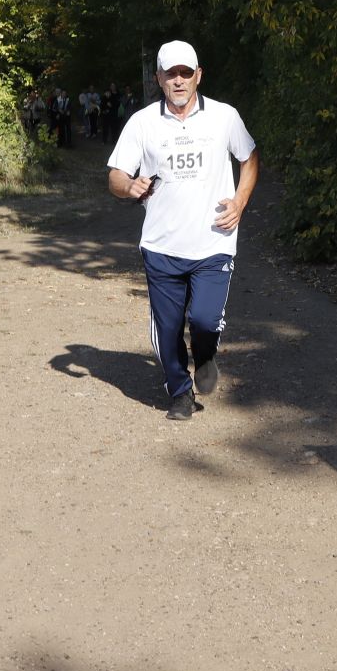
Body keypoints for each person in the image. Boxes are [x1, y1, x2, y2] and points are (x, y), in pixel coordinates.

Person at [107, 40, 260, 421]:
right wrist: (129, 187)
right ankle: (179, 391)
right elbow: (115, 177)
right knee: (169, 327)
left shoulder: (224, 117)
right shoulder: (142, 123)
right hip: (162, 246)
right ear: (158, 78)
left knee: (206, 321)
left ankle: (205, 356)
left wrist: (240, 202)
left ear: (198, 76)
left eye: (185, 73)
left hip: (214, 241)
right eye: (170, 74)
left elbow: (249, 156)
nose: (178, 81)